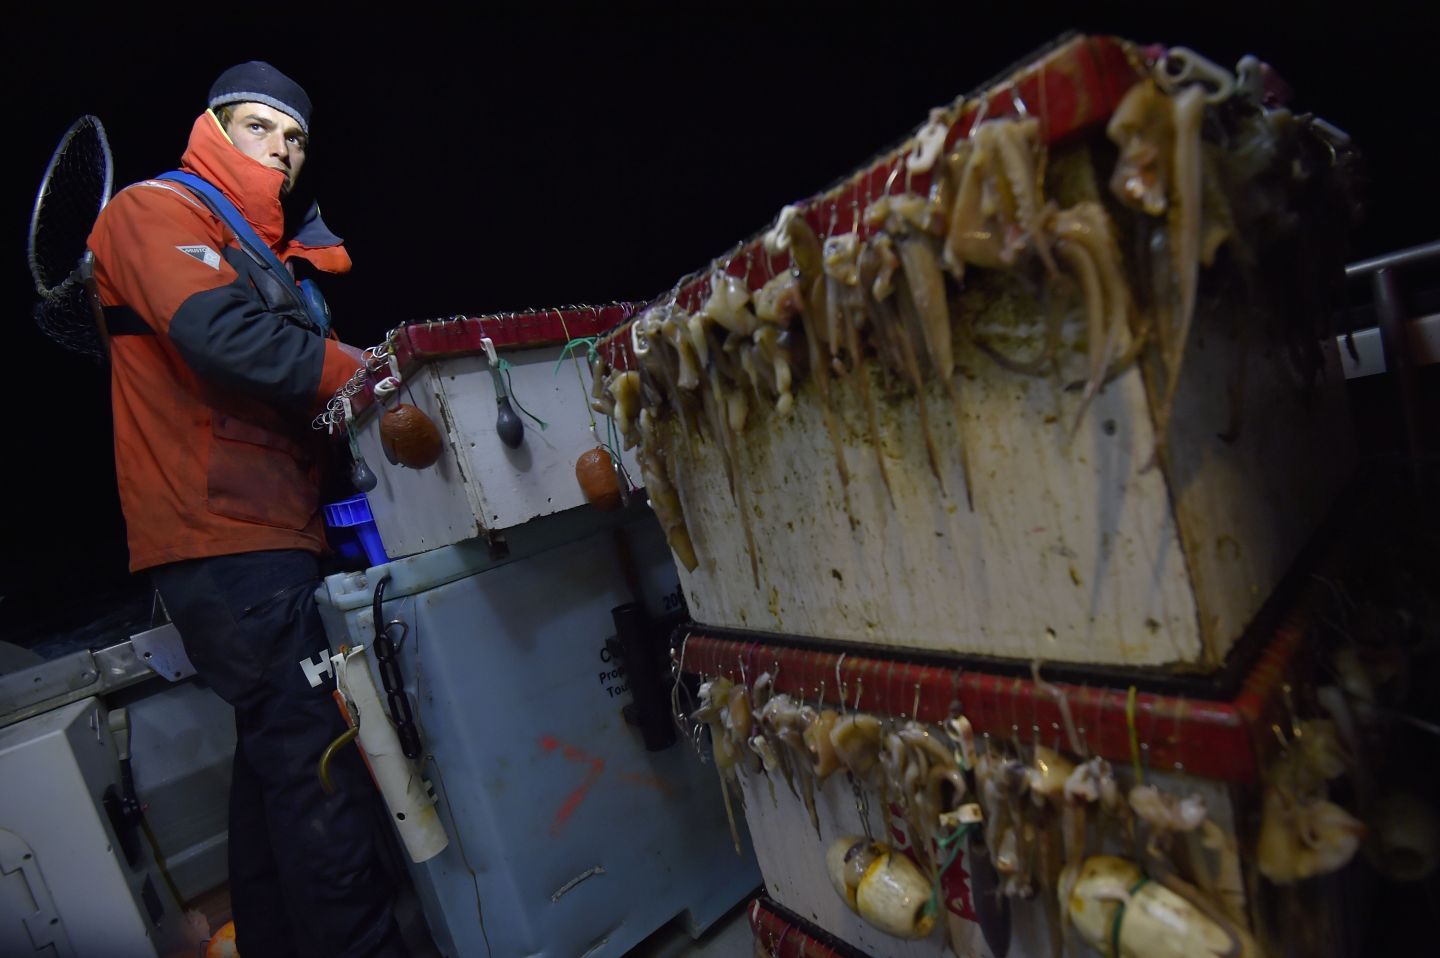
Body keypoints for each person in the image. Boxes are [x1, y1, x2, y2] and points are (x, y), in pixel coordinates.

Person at [86, 62, 406, 958]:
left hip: (270, 533)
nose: (283, 149)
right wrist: (379, 372)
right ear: (215, 128)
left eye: (296, 137)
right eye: (261, 127)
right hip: (222, 539)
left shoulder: (267, 250)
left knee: (279, 759)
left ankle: (266, 941)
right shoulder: (154, 211)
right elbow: (224, 337)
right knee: (323, 767)